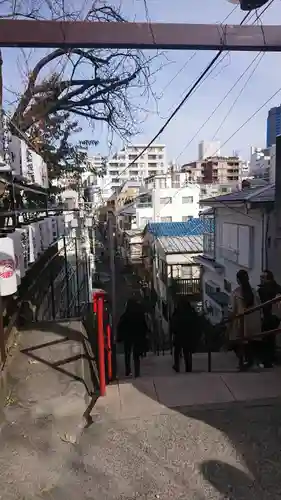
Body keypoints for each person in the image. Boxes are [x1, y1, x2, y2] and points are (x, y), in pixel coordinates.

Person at [229, 269, 261, 371]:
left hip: (241, 322)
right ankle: (249, 362)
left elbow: (232, 309)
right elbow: (259, 306)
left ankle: (243, 362)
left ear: (238, 280)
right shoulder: (254, 291)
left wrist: (230, 321)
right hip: (254, 322)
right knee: (250, 343)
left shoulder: (236, 293)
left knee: (237, 342)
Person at [117, 298, 147, 378]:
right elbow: (144, 326)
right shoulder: (140, 314)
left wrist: (119, 337)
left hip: (128, 337)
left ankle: (128, 370)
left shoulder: (126, 315)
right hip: (137, 337)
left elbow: (120, 326)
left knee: (127, 354)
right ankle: (137, 372)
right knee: (136, 355)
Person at [258, 270, 281, 368]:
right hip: (277, 316)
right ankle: (272, 358)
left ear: (267, 278)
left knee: (266, 339)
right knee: (272, 337)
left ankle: (266, 361)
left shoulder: (262, 290)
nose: (261, 279)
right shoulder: (278, 288)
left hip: (267, 316)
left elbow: (262, 304)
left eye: (262, 277)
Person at [170, 297, 200, 373]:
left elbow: (173, 322)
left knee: (177, 351)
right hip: (189, 335)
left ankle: (177, 365)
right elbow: (196, 323)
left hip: (179, 335)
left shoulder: (177, 312)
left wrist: (173, 331)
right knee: (187, 351)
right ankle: (188, 366)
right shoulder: (191, 311)